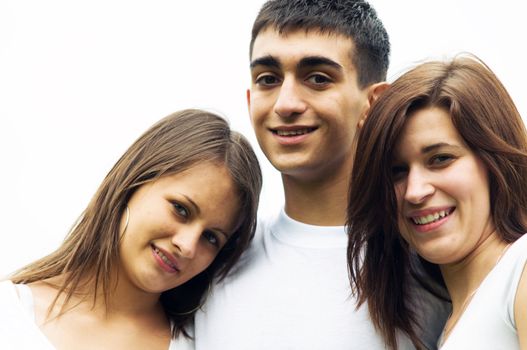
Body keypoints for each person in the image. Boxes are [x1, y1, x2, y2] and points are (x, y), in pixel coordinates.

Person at [194, 0, 449, 349]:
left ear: (373, 103)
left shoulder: (436, 262)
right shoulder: (206, 264)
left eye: (317, 78)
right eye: (268, 79)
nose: (286, 104)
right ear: (251, 99)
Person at [0, 109, 262, 350]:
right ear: (132, 184)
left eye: (211, 237)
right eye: (181, 209)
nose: (188, 245)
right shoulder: (10, 315)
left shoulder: (206, 343)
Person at [348, 55, 527, 349]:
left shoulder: (521, 269)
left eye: (441, 159)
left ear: (495, 163)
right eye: (397, 172)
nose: (414, 192)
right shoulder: (448, 325)